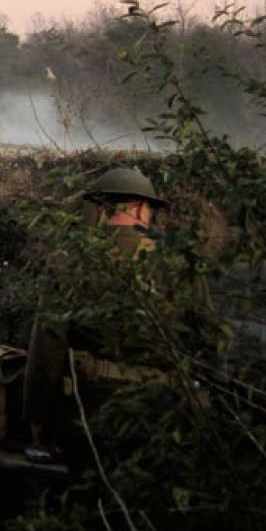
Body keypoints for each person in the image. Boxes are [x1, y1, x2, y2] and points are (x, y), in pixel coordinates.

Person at [21, 165, 166, 460]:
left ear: (99, 210)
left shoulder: (69, 261)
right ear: (141, 209)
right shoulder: (176, 262)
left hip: (88, 414)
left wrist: (37, 419)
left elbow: (47, 350)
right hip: (160, 415)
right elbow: (205, 337)